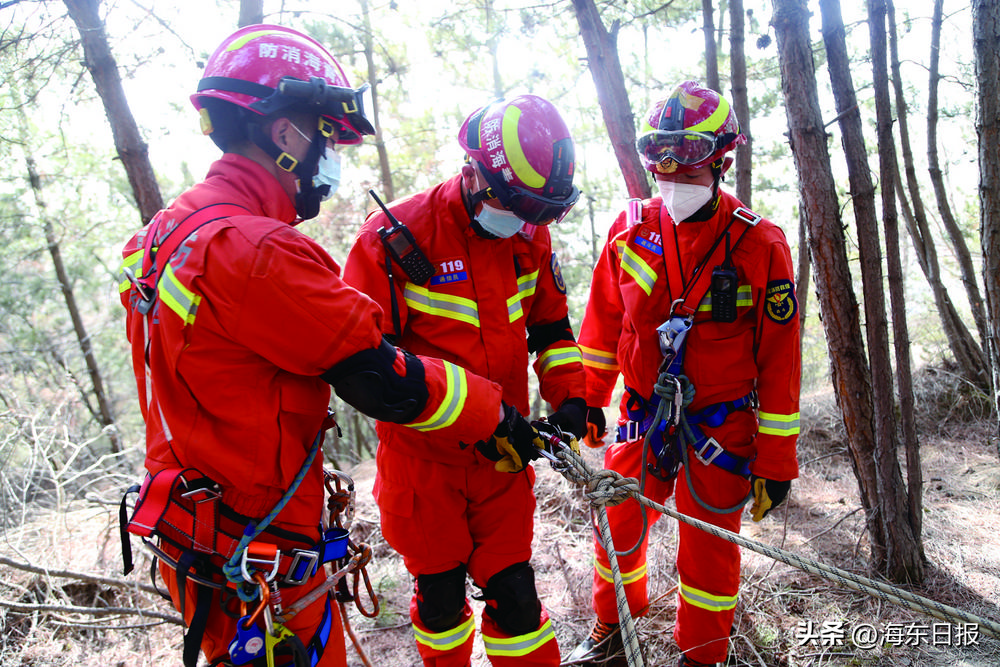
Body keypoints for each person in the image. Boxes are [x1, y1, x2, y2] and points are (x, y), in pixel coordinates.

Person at [118, 25, 542, 667]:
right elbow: (379, 376)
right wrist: (495, 413)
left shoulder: (165, 233)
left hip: (198, 530)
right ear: (285, 135)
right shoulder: (256, 251)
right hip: (258, 548)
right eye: (328, 137)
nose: (332, 159)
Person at [341, 94, 588, 667]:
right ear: (474, 173)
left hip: (503, 462)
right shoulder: (395, 239)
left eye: (538, 211)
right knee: (441, 600)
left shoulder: (528, 233)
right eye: (517, 204)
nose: (524, 221)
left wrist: (572, 399)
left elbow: (551, 329)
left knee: (517, 598)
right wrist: (482, 416)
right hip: (422, 466)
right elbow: (369, 369)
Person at [566, 81, 801, 667]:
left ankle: (701, 655)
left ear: (722, 161)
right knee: (617, 524)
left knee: (708, 549)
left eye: (688, 158)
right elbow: (602, 322)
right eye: (659, 157)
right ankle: (614, 627)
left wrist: (776, 462)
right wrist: (588, 398)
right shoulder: (629, 230)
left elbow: (781, 362)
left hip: (720, 425)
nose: (671, 174)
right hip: (642, 414)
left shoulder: (759, 244)